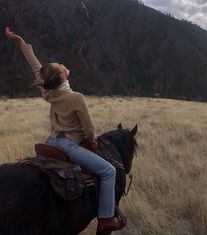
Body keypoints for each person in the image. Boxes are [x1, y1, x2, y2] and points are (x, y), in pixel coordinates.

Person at [5, 26, 124, 232]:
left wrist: (22, 44)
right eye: (59, 66)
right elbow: (89, 128)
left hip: (50, 141)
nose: (61, 64)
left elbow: (37, 68)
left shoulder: (47, 91)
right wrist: (93, 141)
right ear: (62, 77)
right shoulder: (75, 97)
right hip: (68, 145)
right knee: (108, 171)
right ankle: (105, 218)